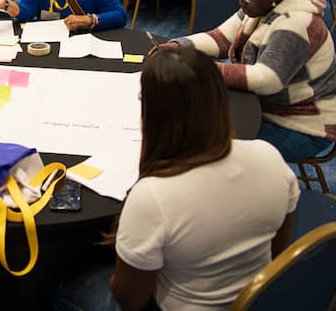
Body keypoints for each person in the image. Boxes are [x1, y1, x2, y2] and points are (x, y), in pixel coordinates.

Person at [54, 48, 298, 311]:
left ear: (152, 112)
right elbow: (278, 254)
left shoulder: (153, 195)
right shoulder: (270, 156)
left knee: (65, 285)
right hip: (257, 300)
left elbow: (130, 300)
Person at [158, 0, 336, 162]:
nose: (241, 0)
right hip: (265, 106)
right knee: (196, 122)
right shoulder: (261, 4)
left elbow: (268, 79)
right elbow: (220, 38)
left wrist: (196, 68)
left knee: (206, 143)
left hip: (302, 126)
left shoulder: (295, 22)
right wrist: (178, 46)